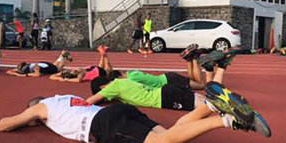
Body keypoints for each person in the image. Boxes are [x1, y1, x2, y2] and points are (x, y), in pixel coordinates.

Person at [0, 81, 270, 143]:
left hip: (103, 125)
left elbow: (2, 125)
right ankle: (209, 106)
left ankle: (229, 121)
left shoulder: (42, 107)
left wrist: (28, 118)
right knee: (173, 138)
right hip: (116, 111)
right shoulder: (64, 97)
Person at [86, 49, 237, 111]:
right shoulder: (124, 81)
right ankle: (215, 68)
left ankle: (219, 67)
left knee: (211, 105)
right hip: (166, 89)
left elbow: (89, 101)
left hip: (166, 96)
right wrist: (104, 55)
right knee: (208, 99)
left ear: (103, 87)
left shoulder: (112, 88)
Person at [115, 44, 209, 90]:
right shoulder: (131, 72)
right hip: (167, 77)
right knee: (193, 80)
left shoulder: (131, 79)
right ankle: (189, 59)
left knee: (201, 85)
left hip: (170, 82)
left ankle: (195, 57)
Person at [7, 50, 72, 77]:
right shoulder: (20, 68)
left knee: (58, 69)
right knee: (54, 65)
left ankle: (64, 57)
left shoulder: (34, 67)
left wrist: (25, 75)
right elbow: (8, 71)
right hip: (43, 64)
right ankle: (61, 56)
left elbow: (37, 74)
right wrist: (16, 74)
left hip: (46, 67)